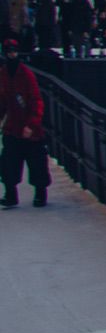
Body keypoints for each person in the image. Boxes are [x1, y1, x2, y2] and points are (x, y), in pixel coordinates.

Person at [0, 35, 47, 209]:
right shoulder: (5, 74)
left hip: (26, 126)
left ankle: (39, 194)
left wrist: (31, 124)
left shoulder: (25, 75)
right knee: (8, 162)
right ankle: (11, 194)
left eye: (13, 51)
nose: (12, 55)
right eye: (9, 52)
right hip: (13, 125)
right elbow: (3, 101)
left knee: (35, 162)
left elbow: (36, 101)